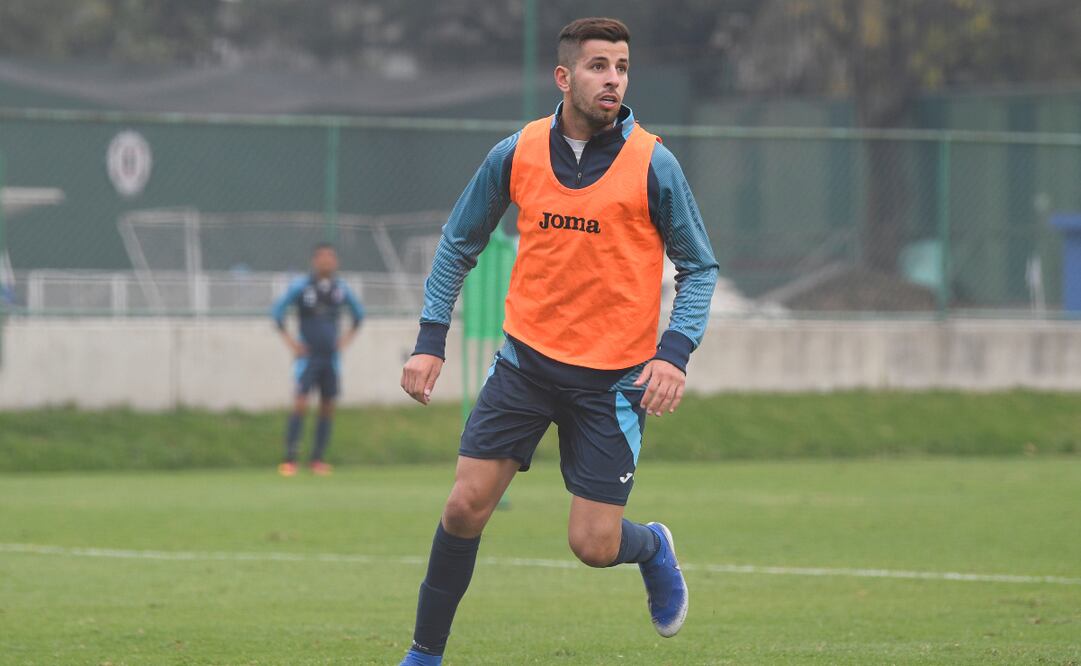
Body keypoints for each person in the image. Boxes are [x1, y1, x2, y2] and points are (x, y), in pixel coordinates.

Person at [397, 17, 718, 664]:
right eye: (599, 66)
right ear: (564, 77)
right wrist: (430, 339)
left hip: (613, 382)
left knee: (592, 545)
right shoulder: (516, 152)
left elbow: (699, 267)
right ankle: (423, 655)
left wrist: (673, 354)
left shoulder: (653, 162)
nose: (613, 79)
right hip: (525, 365)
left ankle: (651, 546)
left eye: (622, 66)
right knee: (463, 506)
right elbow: (459, 241)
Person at [271, 242, 363, 476]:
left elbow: (359, 315)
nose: (326, 261)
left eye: (330, 257)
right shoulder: (302, 287)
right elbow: (277, 312)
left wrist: (344, 342)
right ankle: (290, 458)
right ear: (314, 261)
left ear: (336, 261)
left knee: (327, 406)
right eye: (322, 257)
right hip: (308, 358)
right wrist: (293, 343)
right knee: (300, 403)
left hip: (330, 358)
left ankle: (317, 459)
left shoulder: (340, 288)